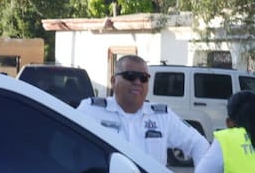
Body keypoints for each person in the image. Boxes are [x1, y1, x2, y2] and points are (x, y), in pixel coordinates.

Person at [76, 54, 209, 165]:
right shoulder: (91, 110)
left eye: (143, 78)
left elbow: (199, 144)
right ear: (113, 81)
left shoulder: (162, 116)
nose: (138, 82)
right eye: (130, 76)